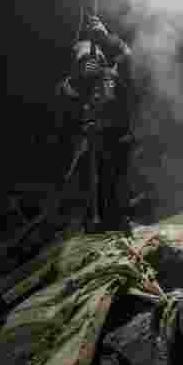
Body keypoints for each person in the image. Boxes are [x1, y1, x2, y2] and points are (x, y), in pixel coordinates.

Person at [56, 14, 136, 232]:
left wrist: (106, 37)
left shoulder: (112, 75)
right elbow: (63, 101)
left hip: (115, 145)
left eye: (96, 57)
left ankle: (117, 220)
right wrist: (78, 79)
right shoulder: (72, 84)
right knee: (85, 193)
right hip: (86, 149)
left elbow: (127, 58)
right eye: (84, 59)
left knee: (115, 190)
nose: (93, 61)